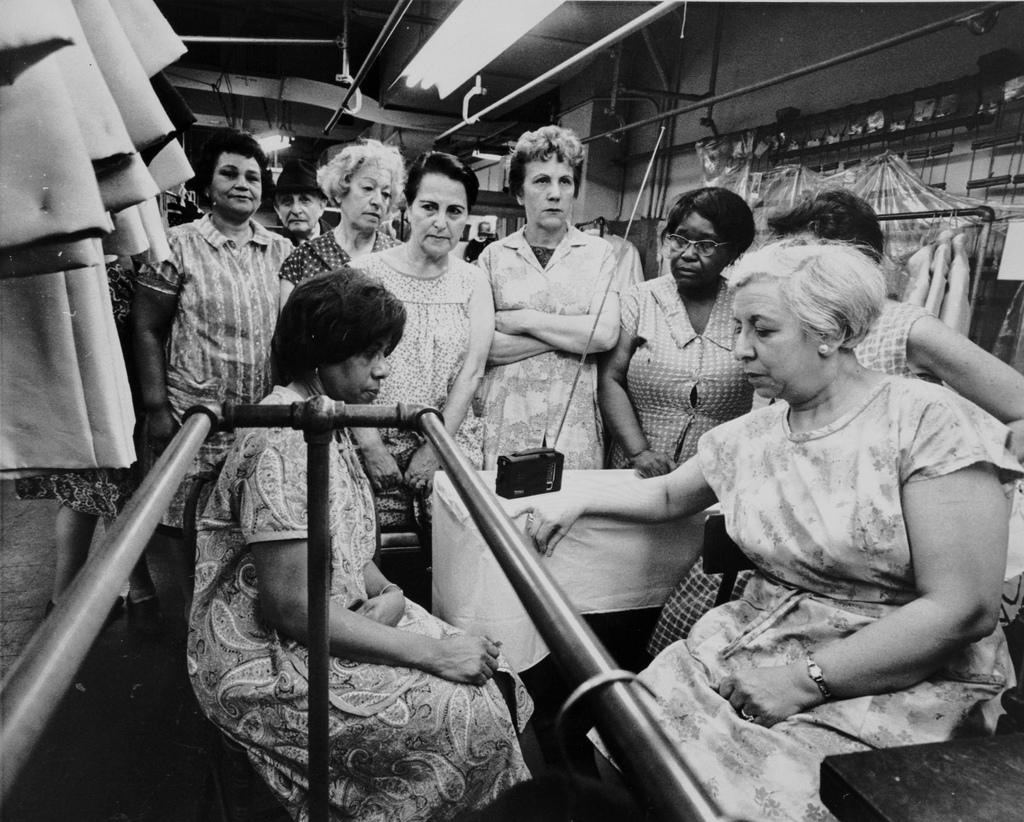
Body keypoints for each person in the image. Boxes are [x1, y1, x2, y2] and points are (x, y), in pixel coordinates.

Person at [518, 240, 1019, 822]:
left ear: (829, 331)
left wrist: (809, 680)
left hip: (901, 667)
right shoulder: (755, 432)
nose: (740, 350)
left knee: (770, 797)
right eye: (738, 327)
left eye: (762, 330)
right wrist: (573, 497)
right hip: (755, 638)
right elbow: (667, 493)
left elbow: (963, 607)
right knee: (634, 738)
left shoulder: (926, 420)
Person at [188, 270, 534, 819]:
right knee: (466, 712)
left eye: (384, 351)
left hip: (335, 614)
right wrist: (437, 652)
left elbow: (348, 552)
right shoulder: (286, 442)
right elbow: (291, 607)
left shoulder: (329, 418)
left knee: (498, 680)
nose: (383, 369)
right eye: (369, 353)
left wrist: (393, 592)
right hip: (263, 653)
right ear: (320, 351)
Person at [133, 129, 291, 594]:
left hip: (259, 416)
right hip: (191, 415)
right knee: (185, 520)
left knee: (244, 519)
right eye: (230, 173)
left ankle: (234, 617)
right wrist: (157, 407)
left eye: (253, 176)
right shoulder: (175, 245)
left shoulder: (279, 250)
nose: (243, 183)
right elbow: (145, 327)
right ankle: (189, 615)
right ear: (206, 185)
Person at [600, 188, 756, 657]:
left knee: (693, 593)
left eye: (707, 244)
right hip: (637, 470)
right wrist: (639, 450)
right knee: (619, 586)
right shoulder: (639, 300)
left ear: (734, 252)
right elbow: (611, 377)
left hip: (712, 487)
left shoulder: (747, 308)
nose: (688, 254)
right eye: (679, 239)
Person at [769, 188, 1024, 458]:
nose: (788, 273)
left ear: (857, 261)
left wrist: (951, 479)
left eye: (803, 260)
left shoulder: (905, 328)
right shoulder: (801, 326)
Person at [17, 257, 162, 633]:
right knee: (114, 493)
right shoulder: (124, 264)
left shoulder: (58, 259)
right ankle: (140, 597)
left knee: (82, 495)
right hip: (116, 396)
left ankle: (65, 603)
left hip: (76, 394)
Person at [354, 152, 494, 530]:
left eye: (454, 211)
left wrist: (436, 448)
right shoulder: (364, 275)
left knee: (449, 566)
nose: (440, 222)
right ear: (407, 207)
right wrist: (369, 445)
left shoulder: (474, 283)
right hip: (371, 443)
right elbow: (341, 368)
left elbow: (472, 372)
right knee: (369, 560)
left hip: (447, 445)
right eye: (429, 207)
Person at [478, 126, 622, 469]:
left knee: (570, 520)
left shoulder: (600, 253)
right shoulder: (494, 257)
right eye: (541, 181)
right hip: (506, 422)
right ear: (518, 192)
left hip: (574, 426)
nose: (555, 193)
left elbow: (604, 335)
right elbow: (486, 347)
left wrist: (523, 320)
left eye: (565, 181)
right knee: (502, 518)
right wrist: (573, 335)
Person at [277, 138, 403, 310]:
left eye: (386, 194)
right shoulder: (303, 258)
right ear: (339, 192)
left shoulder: (400, 257)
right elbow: (288, 331)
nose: (378, 201)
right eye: (368, 188)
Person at [271, 158, 330, 245]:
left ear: (321, 206)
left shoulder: (344, 245)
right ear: (277, 209)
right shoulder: (272, 250)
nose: (296, 210)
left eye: (305, 200)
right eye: (287, 201)